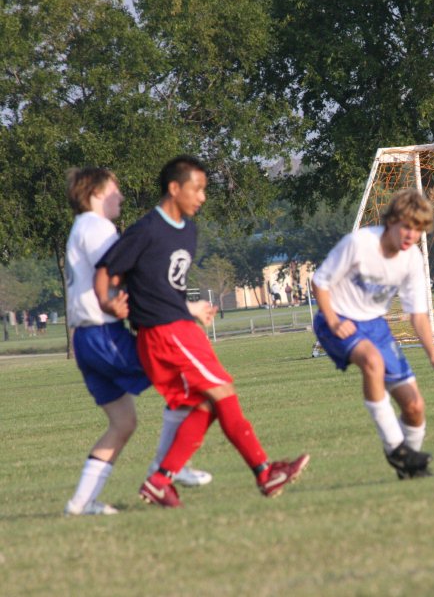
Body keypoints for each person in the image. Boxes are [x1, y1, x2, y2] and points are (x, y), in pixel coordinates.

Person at [95, 155, 309, 508]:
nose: (202, 196)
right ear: (174, 188)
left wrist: (190, 309)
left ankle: (160, 481)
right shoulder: (146, 229)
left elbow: (166, 285)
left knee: (207, 406)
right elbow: (107, 272)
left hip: (179, 326)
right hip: (164, 332)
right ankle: (265, 472)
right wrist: (108, 302)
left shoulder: (188, 230)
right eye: (197, 188)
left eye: (204, 189)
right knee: (223, 391)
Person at [62, 167, 212, 517]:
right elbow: (128, 274)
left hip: (87, 339)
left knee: (123, 423)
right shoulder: (98, 227)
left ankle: (80, 503)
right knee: (186, 382)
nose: (122, 197)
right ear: (96, 193)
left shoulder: (80, 228)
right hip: (105, 334)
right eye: (115, 189)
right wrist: (187, 306)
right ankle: (166, 470)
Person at [311, 188, 434, 480]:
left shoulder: (412, 259)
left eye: (418, 230)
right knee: (373, 363)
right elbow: (320, 282)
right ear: (390, 221)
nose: (410, 235)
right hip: (336, 318)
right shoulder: (358, 243)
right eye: (406, 226)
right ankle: (395, 449)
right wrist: (332, 320)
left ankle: (409, 468)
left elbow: (417, 315)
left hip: (376, 327)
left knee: (415, 406)